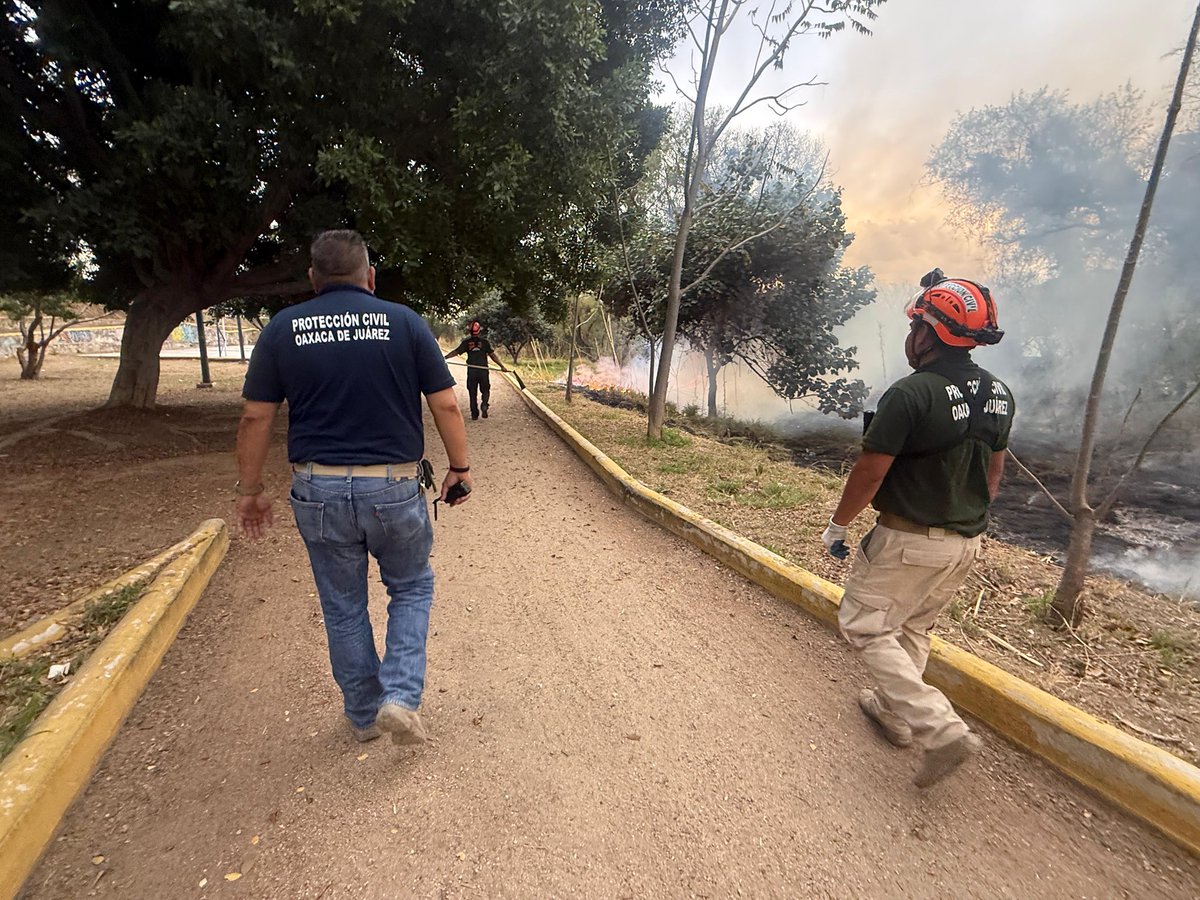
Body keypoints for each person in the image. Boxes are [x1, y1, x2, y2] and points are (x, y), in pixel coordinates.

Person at [234, 229, 472, 747]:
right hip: (393, 487)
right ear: (370, 276)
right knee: (411, 587)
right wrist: (460, 468)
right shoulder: (405, 323)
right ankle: (400, 697)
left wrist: (250, 489)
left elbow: (255, 417)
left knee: (343, 604)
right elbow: (447, 404)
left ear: (313, 278)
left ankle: (364, 716)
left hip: (316, 489)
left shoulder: (282, 330)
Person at [821, 269, 1015, 788]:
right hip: (964, 545)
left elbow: (870, 471)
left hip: (908, 540)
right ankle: (894, 714)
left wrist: (839, 525)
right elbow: (993, 476)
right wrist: (960, 520)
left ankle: (940, 728)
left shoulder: (911, 394)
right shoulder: (1000, 394)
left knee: (864, 624)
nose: (911, 335)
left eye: (916, 325)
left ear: (930, 334)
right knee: (912, 628)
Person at [444, 320, 508, 420]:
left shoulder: (466, 343)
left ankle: (474, 413)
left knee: (472, 392)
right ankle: (484, 404)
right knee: (485, 390)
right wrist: (502, 366)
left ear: (470, 331)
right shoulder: (485, 342)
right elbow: (493, 355)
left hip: (472, 371)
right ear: (479, 331)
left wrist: (444, 358)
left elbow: (455, 352)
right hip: (483, 371)